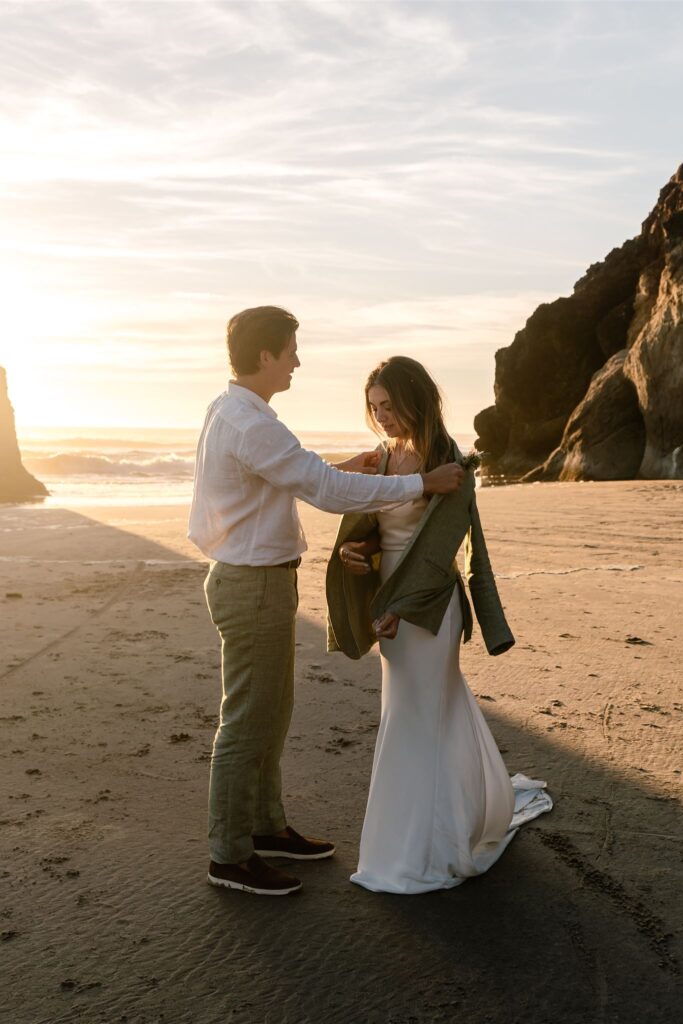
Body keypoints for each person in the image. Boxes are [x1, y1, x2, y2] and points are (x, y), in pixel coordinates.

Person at [188, 309, 466, 896]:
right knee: (246, 721)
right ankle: (230, 855)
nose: (296, 359)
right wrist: (418, 483)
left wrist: (346, 468)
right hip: (252, 582)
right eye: (290, 350)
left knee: (271, 713)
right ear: (265, 355)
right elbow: (324, 491)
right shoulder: (251, 423)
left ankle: (265, 827)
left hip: (255, 578)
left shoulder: (234, 411)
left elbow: (292, 478)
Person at [326, 356, 552, 895]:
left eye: (390, 406)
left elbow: (440, 551)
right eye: (374, 408)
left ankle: (423, 853)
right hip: (389, 608)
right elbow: (377, 533)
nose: (382, 418)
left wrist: (400, 605)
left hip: (427, 609)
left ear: (417, 399)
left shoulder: (449, 461)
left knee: (417, 721)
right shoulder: (382, 460)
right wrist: (362, 554)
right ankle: (435, 830)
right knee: (425, 715)